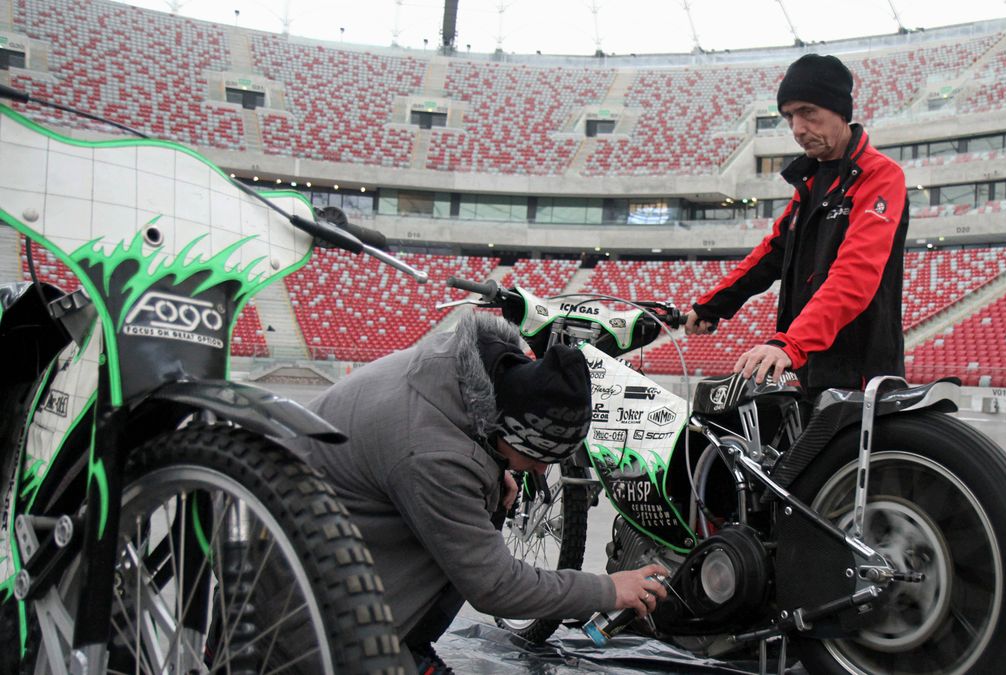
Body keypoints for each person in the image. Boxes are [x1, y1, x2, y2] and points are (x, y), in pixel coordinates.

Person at [290, 311, 667, 673]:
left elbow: (451, 446)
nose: (540, 470)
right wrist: (609, 590)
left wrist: (489, 462)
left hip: (318, 529)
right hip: (298, 613)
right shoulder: (434, 457)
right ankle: (394, 650)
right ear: (512, 431)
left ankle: (406, 643)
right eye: (538, 457)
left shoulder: (459, 373)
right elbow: (496, 586)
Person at [685, 53, 909, 395]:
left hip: (861, 375)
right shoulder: (810, 182)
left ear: (840, 111)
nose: (797, 129)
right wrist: (710, 306)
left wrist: (792, 343)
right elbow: (771, 253)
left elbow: (856, 275)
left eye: (808, 113)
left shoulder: (880, 175)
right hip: (806, 366)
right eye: (789, 116)